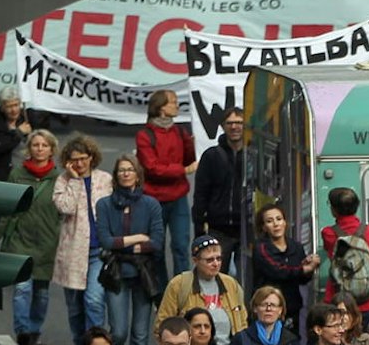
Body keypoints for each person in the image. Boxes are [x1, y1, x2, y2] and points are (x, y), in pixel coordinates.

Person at [95, 154, 164, 345]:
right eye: (121, 170)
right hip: (116, 273)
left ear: (137, 175)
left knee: (141, 334)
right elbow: (105, 240)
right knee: (118, 332)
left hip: (143, 274)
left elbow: (157, 242)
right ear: (116, 176)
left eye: (130, 170)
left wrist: (123, 244)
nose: (126, 173)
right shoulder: (105, 204)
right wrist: (139, 238)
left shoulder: (151, 204)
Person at [1, 128, 63, 345]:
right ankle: (23, 330)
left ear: (51, 149)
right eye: (36, 145)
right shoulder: (17, 174)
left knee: (41, 293)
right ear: (29, 149)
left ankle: (35, 328)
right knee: (21, 289)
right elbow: (7, 207)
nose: (39, 149)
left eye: (44, 145)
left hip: (48, 242)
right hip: (20, 240)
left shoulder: (59, 178)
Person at [135, 89, 196, 278]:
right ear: (161, 108)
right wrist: (182, 171)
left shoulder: (179, 131)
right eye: (173, 101)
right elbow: (152, 168)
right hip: (154, 200)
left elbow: (188, 158)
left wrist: (192, 145)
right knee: (157, 249)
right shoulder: (145, 135)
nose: (177, 105)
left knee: (181, 246)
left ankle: (181, 292)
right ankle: (161, 295)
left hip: (178, 198)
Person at [50, 135, 106, 341]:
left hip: (99, 252)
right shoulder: (63, 180)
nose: (80, 163)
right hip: (73, 253)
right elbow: (66, 207)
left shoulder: (105, 180)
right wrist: (74, 180)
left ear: (91, 157)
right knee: (75, 309)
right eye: (74, 160)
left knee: (93, 300)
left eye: (83, 158)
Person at [320, 187, 369, 329]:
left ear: (333, 209)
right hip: (367, 297)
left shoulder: (328, 233)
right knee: (365, 338)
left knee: (338, 337)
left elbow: (329, 251)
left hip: (338, 297)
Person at [192, 109, 248, 270]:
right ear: (223, 126)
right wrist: (199, 228)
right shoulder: (211, 156)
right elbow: (200, 194)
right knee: (213, 276)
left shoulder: (254, 155)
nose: (234, 127)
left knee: (246, 280)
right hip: (218, 228)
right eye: (230, 123)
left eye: (239, 123)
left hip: (247, 228)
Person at [250, 203, 318, 326]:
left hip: (291, 308)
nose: (276, 224)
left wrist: (309, 266)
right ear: (264, 227)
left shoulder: (296, 247)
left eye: (279, 219)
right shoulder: (261, 248)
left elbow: (302, 279)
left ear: (285, 222)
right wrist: (303, 269)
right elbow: (277, 270)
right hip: (268, 309)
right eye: (270, 221)